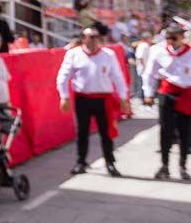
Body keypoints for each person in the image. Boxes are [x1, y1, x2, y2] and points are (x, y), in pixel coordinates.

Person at [56, 27, 129, 176]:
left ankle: (110, 162)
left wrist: (123, 97)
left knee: (106, 133)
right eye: (90, 36)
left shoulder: (108, 54)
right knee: (82, 132)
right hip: (83, 99)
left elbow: (117, 77)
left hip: (103, 99)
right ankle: (81, 162)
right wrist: (64, 96)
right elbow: (63, 77)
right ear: (83, 38)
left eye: (96, 36)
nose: (94, 39)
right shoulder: (73, 54)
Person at [141, 25, 191, 180]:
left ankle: (183, 166)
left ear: (182, 37)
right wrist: (148, 94)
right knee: (165, 130)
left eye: (174, 38)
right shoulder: (158, 51)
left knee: (185, 132)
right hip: (167, 93)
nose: (171, 41)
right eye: (168, 38)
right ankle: (164, 165)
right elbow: (149, 73)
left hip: (186, 94)